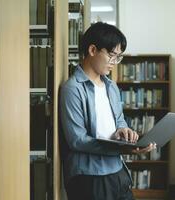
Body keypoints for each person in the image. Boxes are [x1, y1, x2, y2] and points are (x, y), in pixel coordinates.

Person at [60, 22, 156, 200]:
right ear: (92, 50)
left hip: (118, 171)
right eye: (112, 55)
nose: (114, 63)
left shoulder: (111, 86)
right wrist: (122, 150)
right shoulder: (73, 88)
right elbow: (77, 140)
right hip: (90, 177)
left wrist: (124, 132)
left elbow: (118, 120)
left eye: (118, 57)